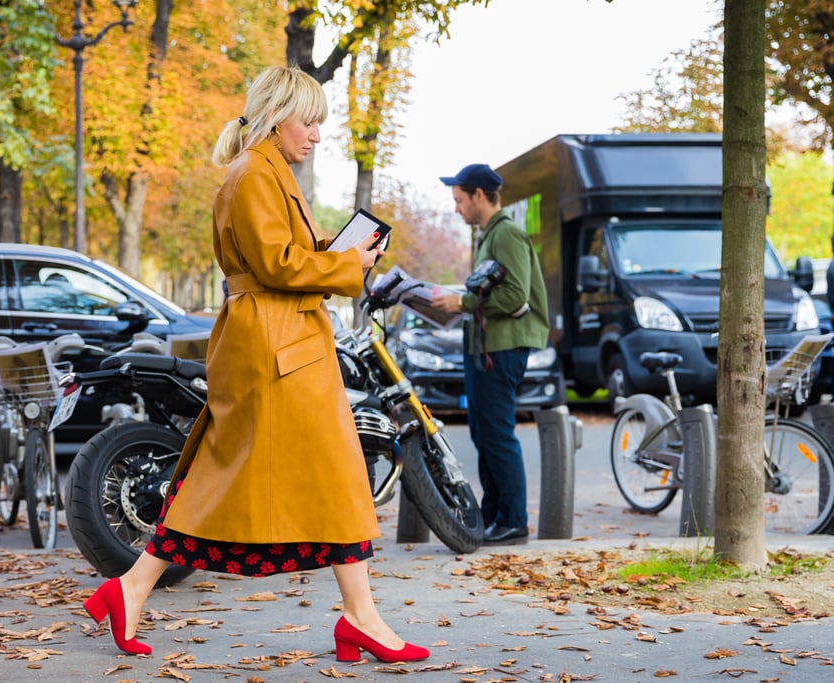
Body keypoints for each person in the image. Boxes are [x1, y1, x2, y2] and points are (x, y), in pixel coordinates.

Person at [81, 65, 429, 664]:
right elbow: (277, 266)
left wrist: (342, 252)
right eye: (310, 120)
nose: (317, 134)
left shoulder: (264, 173)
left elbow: (286, 256)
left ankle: (132, 589)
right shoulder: (253, 176)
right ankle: (360, 618)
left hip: (278, 343)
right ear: (277, 114)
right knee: (323, 474)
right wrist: (348, 268)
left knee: (255, 475)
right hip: (274, 346)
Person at [430, 163, 549, 545]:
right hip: (487, 345)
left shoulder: (507, 234)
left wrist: (461, 302)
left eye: (460, 200)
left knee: (497, 434)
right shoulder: (488, 235)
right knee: (484, 433)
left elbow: (516, 295)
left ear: (479, 195)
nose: (457, 209)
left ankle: (513, 521)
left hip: (503, 346)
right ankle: (496, 515)